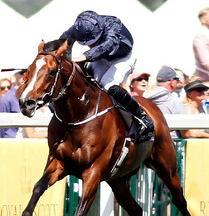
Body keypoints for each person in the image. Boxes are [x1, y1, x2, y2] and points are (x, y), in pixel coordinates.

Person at [60, 10, 154, 142]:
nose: (89, 44)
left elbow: (107, 45)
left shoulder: (113, 24)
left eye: (93, 40)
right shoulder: (79, 27)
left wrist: (83, 57)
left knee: (109, 85)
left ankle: (143, 118)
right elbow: (62, 42)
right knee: (91, 86)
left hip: (123, 57)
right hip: (101, 57)